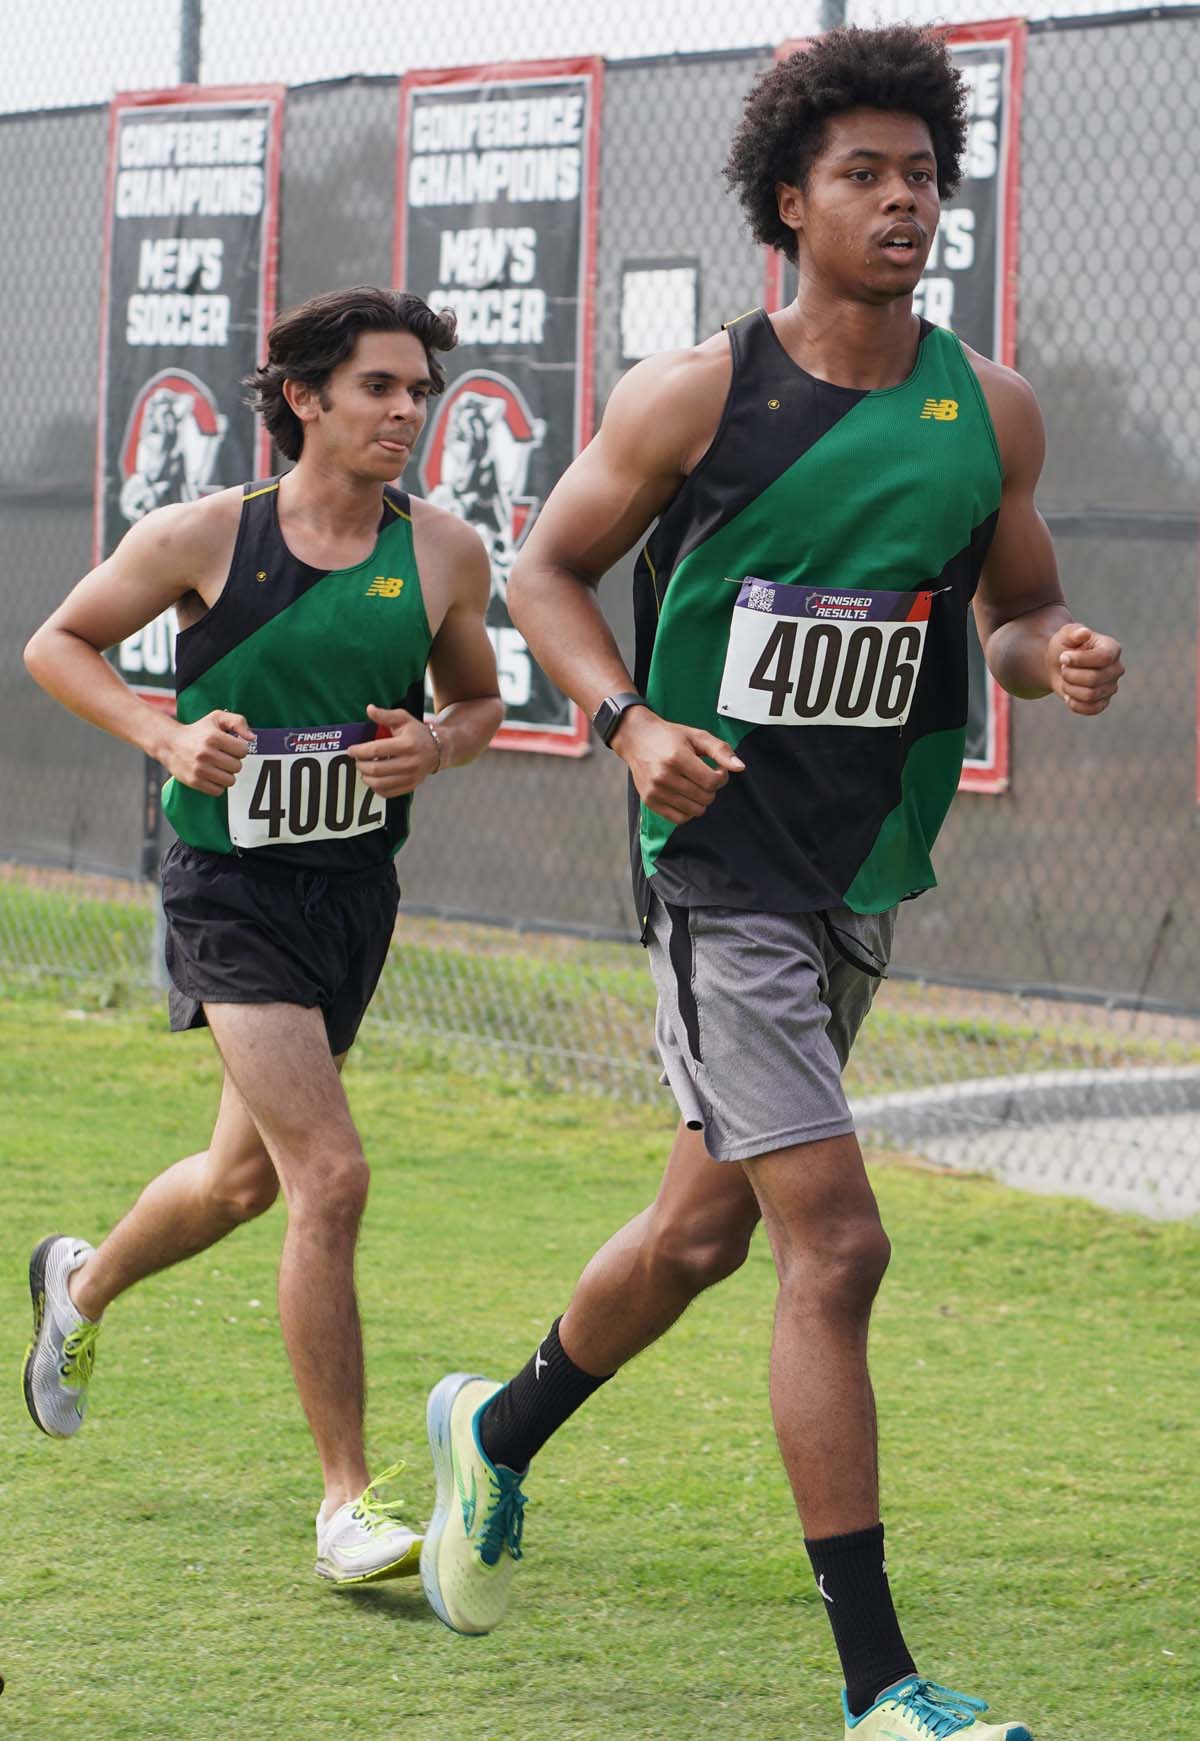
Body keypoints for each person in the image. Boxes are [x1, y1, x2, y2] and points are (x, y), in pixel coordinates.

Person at [416, 27, 1124, 1741]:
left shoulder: (989, 409)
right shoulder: (699, 394)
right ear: (788, 202)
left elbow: (1011, 609)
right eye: (864, 175)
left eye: (922, 173)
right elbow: (550, 566)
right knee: (838, 1241)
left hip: (854, 868)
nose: (903, 200)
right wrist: (627, 716)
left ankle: (490, 1435)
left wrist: (1052, 655)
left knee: (702, 1230)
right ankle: (882, 1684)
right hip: (714, 861)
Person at [22, 285, 503, 1587]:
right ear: (304, 398)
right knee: (328, 1176)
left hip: (350, 895)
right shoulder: (204, 539)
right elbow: (57, 644)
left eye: (420, 391)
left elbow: (479, 698)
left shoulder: (445, 553)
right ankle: (346, 1502)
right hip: (226, 887)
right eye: (378, 389)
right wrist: (167, 735)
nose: (407, 411)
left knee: (242, 1182)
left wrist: (435, 746)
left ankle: (77, 1284)